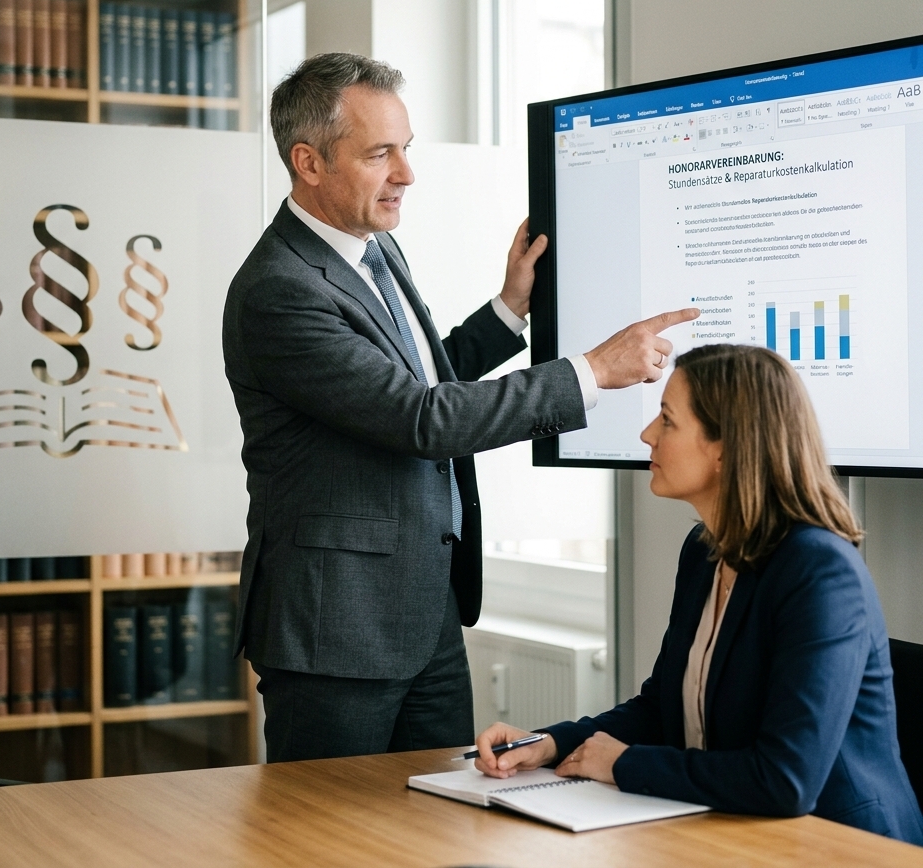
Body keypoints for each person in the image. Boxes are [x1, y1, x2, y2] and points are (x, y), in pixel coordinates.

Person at [222, 52, 696, 762]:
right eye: (380, 154)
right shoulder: (279, 288)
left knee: (440, 812)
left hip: (425, 613)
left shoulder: (373, 248)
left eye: (405, 148)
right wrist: (593, 371)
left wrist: (508, 309)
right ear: (308, 162)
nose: (406, 174)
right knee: (327, 823)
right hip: (336, 630)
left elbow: (410, 382)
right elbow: (420, 418)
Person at [474, 344, 923, 845]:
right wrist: (551, 743)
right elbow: (661, 708)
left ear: (726, 448)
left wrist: (624, 764)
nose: (647, 434)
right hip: (739, 830)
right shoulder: (704, 550)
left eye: (667, 420)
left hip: (845, 845)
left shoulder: (819, 570)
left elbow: (786, 780)